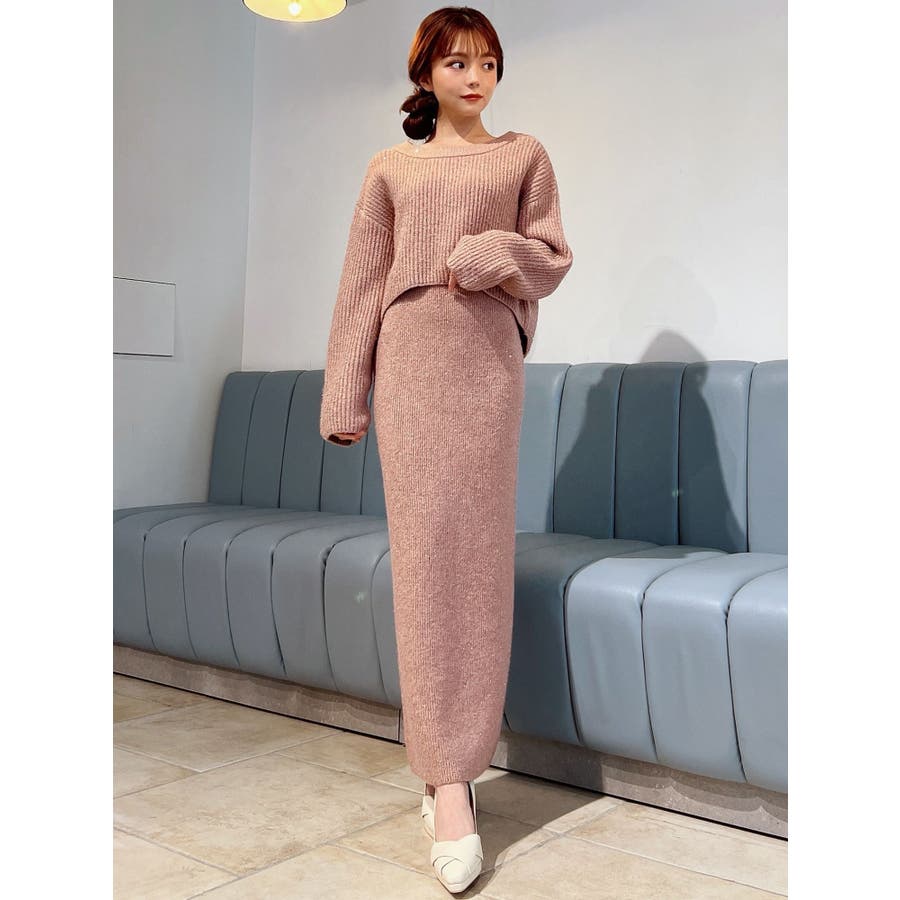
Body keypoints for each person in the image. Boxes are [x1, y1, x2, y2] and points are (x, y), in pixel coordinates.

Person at [319, 6, 574, 893]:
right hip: (411, 365)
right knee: (426, 562)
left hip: (487, 368)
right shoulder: (390, 168)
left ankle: (456, 764)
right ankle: (449, 779)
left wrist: (493, 252)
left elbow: (552, 259)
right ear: (425, 71)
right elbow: (361, 283)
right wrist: (345, 391)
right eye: (458, 62)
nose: (475, 77)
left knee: (476, 563)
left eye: (489, 63)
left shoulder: (523, 156)